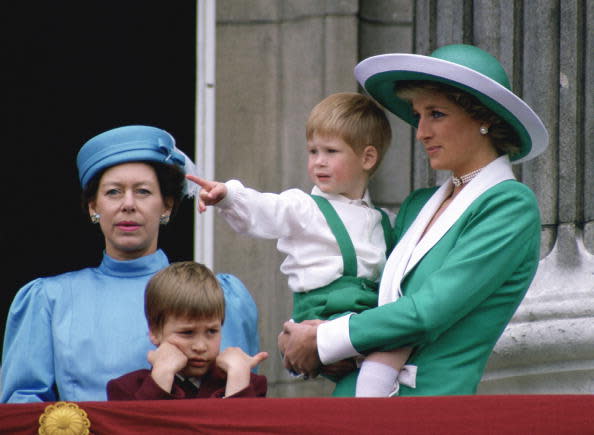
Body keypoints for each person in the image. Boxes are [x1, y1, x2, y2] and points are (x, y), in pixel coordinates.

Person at [279, 43, 548, 397]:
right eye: (417, 114)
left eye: (436, 114)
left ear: (485, 118)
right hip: (351, 399)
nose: (421, 132)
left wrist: (322, 339)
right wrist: (305, 335)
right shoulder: (418, 205)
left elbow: (428, 312)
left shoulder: (510, 205)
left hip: (428, 411)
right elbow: (371, 306)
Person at [1, 125, 260, 403]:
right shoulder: (48, 300)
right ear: (93, 207)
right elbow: (22, 411)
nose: (128, 204)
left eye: (143, 192)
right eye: (113, 192)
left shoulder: (222, 295)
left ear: (167, 205)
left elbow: (240, 414)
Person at [188, 92, 412, 397]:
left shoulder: (383, 220)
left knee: (398, 337)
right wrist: (229, 196)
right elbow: (266, 209)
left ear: (367, 158)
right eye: (313, 151)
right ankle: (374, 397)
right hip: (325, 311)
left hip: (360, 314)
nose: (318, 162)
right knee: (396, 340)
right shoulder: (304, 207)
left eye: (331, 151)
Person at [107, 261, 268, 400]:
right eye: (187, 333)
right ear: (154, 331)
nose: (200, 346)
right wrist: (161, 377)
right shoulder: (125, 389)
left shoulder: (249, 384)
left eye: (212, 331)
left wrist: (238, 380)